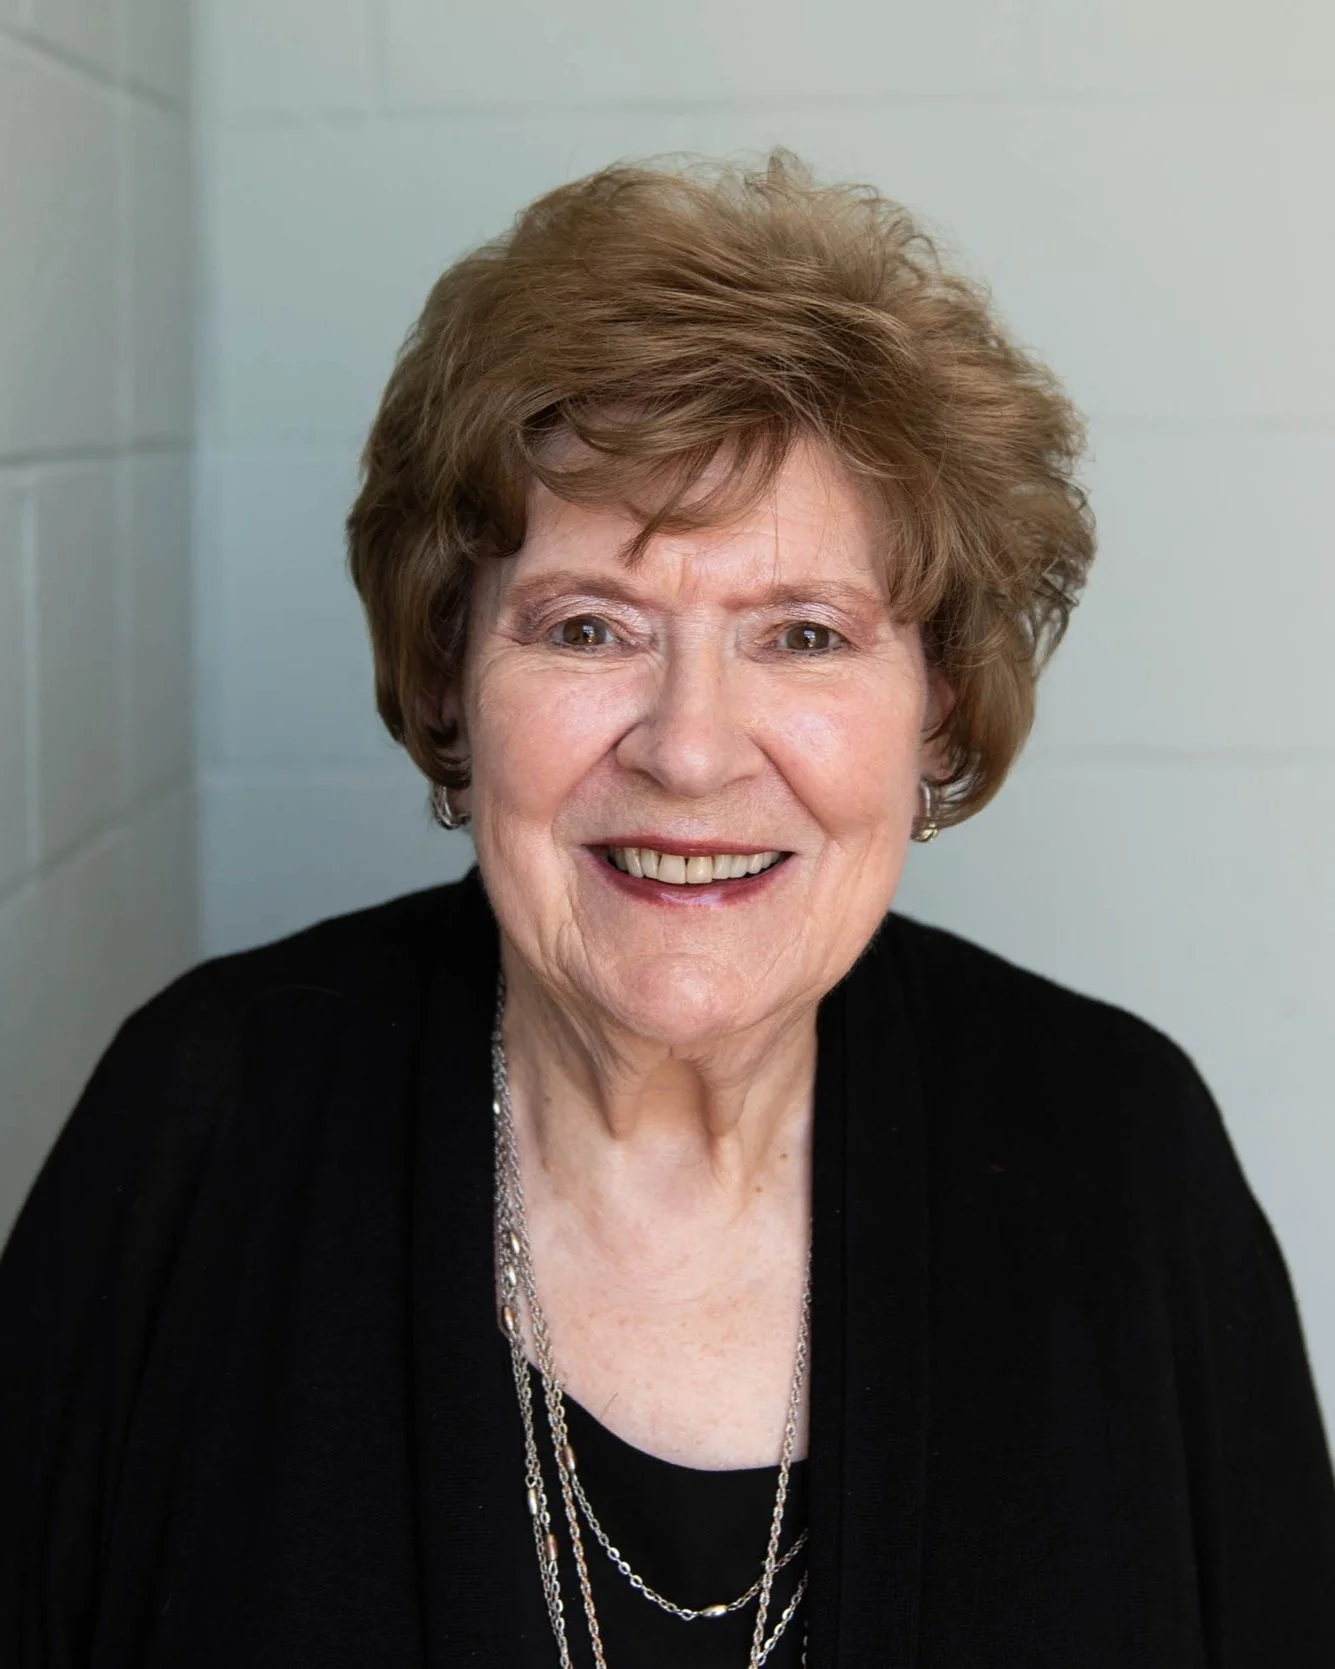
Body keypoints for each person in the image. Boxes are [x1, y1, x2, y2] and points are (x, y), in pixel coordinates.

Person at [2, 150, 1333, 1669]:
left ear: (938, 713)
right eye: (587, 628)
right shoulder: (202, 1121)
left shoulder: (1116, 1152)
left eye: (804, 636)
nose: (689, 749)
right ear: (450, 677)